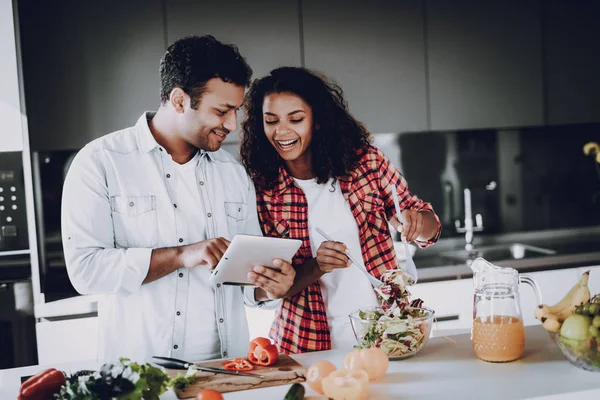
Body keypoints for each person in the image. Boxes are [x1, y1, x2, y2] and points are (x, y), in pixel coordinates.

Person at [61, 36, 295, 363]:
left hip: (228, 372)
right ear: (179, 100)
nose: (232, 124)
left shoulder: (232, 173)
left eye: (236, 111)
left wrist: (271, 286)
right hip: (141, 377)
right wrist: (182, 255)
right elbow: (85, 271)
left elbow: (245, 280)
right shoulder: (101, 162)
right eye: (222, 111)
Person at [240, 67, 441, 353]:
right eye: (271, 121)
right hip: (307, 346)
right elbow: (268, 288)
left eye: (296, 119)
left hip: (388, 335)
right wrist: (316, 266)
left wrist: (417, 223)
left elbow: (429, 228)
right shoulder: (262, 190)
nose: (282, 132)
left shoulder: (366, 163)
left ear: (318, 121)